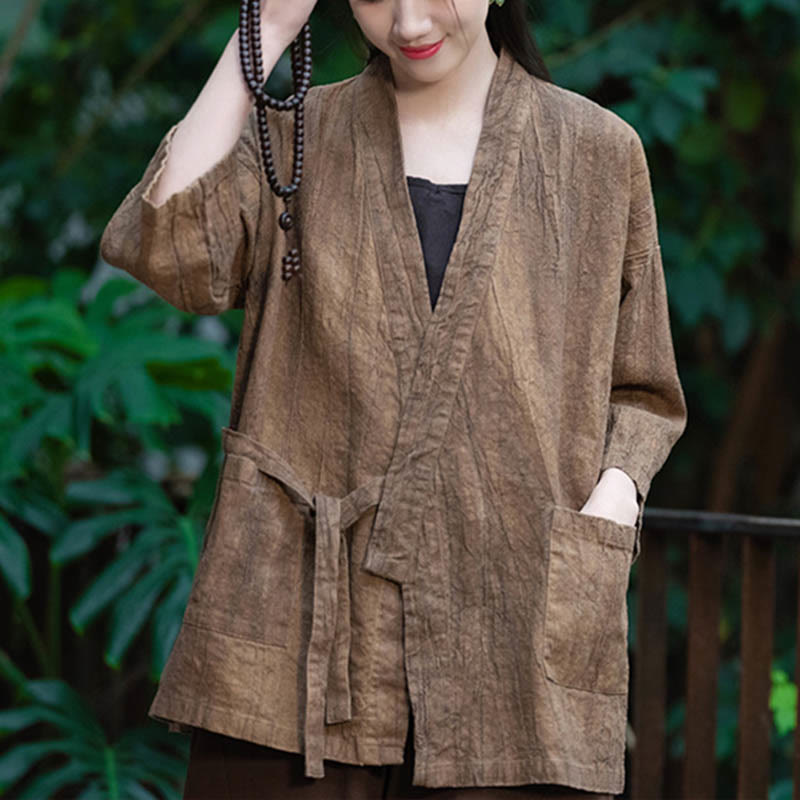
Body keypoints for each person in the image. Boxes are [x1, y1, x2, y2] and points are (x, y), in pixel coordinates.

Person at [100, 0, 688, 797]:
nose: (409, 22)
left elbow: (644, 386)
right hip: (295, 638)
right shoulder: (296, 139)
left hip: (513, 625)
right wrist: (266, 31)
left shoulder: (596, 153)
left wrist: (615, 497)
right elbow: (165, 248)